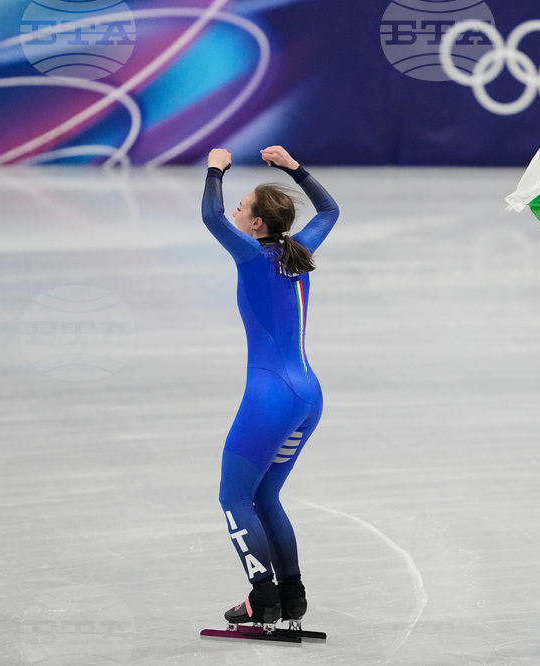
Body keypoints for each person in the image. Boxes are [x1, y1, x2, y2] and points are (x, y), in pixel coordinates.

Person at [201, 144, 339, 628]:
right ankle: (292, 595)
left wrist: (216, 170)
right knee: (266, 498)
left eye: (245, 207)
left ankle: (263, 598)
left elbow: (211, 217)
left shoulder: (251, 256)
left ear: (257, 225)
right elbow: (330, 209)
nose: (237, 210)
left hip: (270, 399)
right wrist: (294, 168)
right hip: (307, 396)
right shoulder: (298, 251)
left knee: (234, 498)